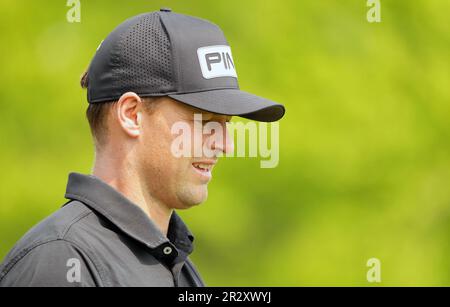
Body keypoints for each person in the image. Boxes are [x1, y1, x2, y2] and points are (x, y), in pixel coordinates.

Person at [0, 8, 285, 287]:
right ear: (131, 115)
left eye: (226, 124)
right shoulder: (62, 261)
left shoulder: (179, 266)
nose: (225, 145)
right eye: (204, 121)